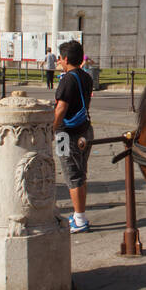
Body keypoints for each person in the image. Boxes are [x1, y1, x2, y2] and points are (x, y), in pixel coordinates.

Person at [53, 40, 94, 233]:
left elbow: (61, 108)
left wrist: (50, 129)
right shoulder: (86, 77)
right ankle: (79, 215)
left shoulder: (67, 79)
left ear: (66, 59)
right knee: (80, 172)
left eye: (60, 58)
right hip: (85, 130)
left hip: (65, 134)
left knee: (71, 173)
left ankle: (79, 219)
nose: (59, 61)